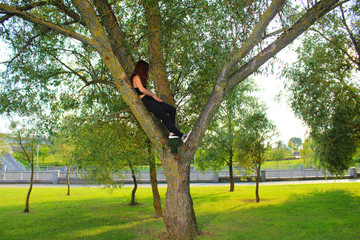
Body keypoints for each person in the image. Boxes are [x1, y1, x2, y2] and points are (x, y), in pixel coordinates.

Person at [130, 60, 190, 142]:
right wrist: (152, 96)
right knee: (166, 119)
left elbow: (146, 89)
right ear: (142, 68)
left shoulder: (140, 78)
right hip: (147, 101)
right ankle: (182, 136)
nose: (147, 71)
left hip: (151, 100)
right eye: (146, 69)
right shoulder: (136, 77)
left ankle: (172, 133)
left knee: (172, 109)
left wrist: (155, 97)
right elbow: (142, 90)